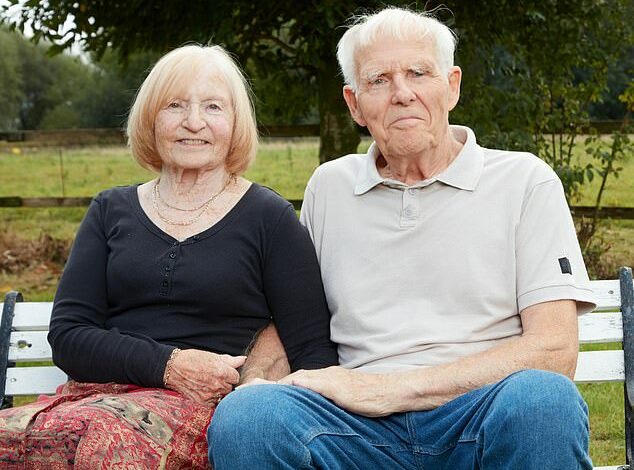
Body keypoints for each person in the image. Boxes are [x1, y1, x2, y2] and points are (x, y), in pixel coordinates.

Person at [208, 7, 597, 469]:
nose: (402, 94)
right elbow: (296, 313)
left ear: (452, 85)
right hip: (353, 430)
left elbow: (553, 350)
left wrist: (389, 390)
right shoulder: (330, 187)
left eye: (418, 73)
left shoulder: (525, 180)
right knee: (248, 418)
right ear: (354, 104)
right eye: (379, 81)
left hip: (479, 413)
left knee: (543, 400)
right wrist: (255, 380)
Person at [0, 44, 337, 468]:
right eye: (175, 105)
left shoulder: (269, 218)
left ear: (235, 124)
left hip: (208, 411)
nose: (193, 122)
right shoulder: (110, 210)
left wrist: (253, 384)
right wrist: (170, 364)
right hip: (94, 400)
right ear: (151, 121)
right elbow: (69, 336)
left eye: (213, 106)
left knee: (105, 444)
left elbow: (314, 354)